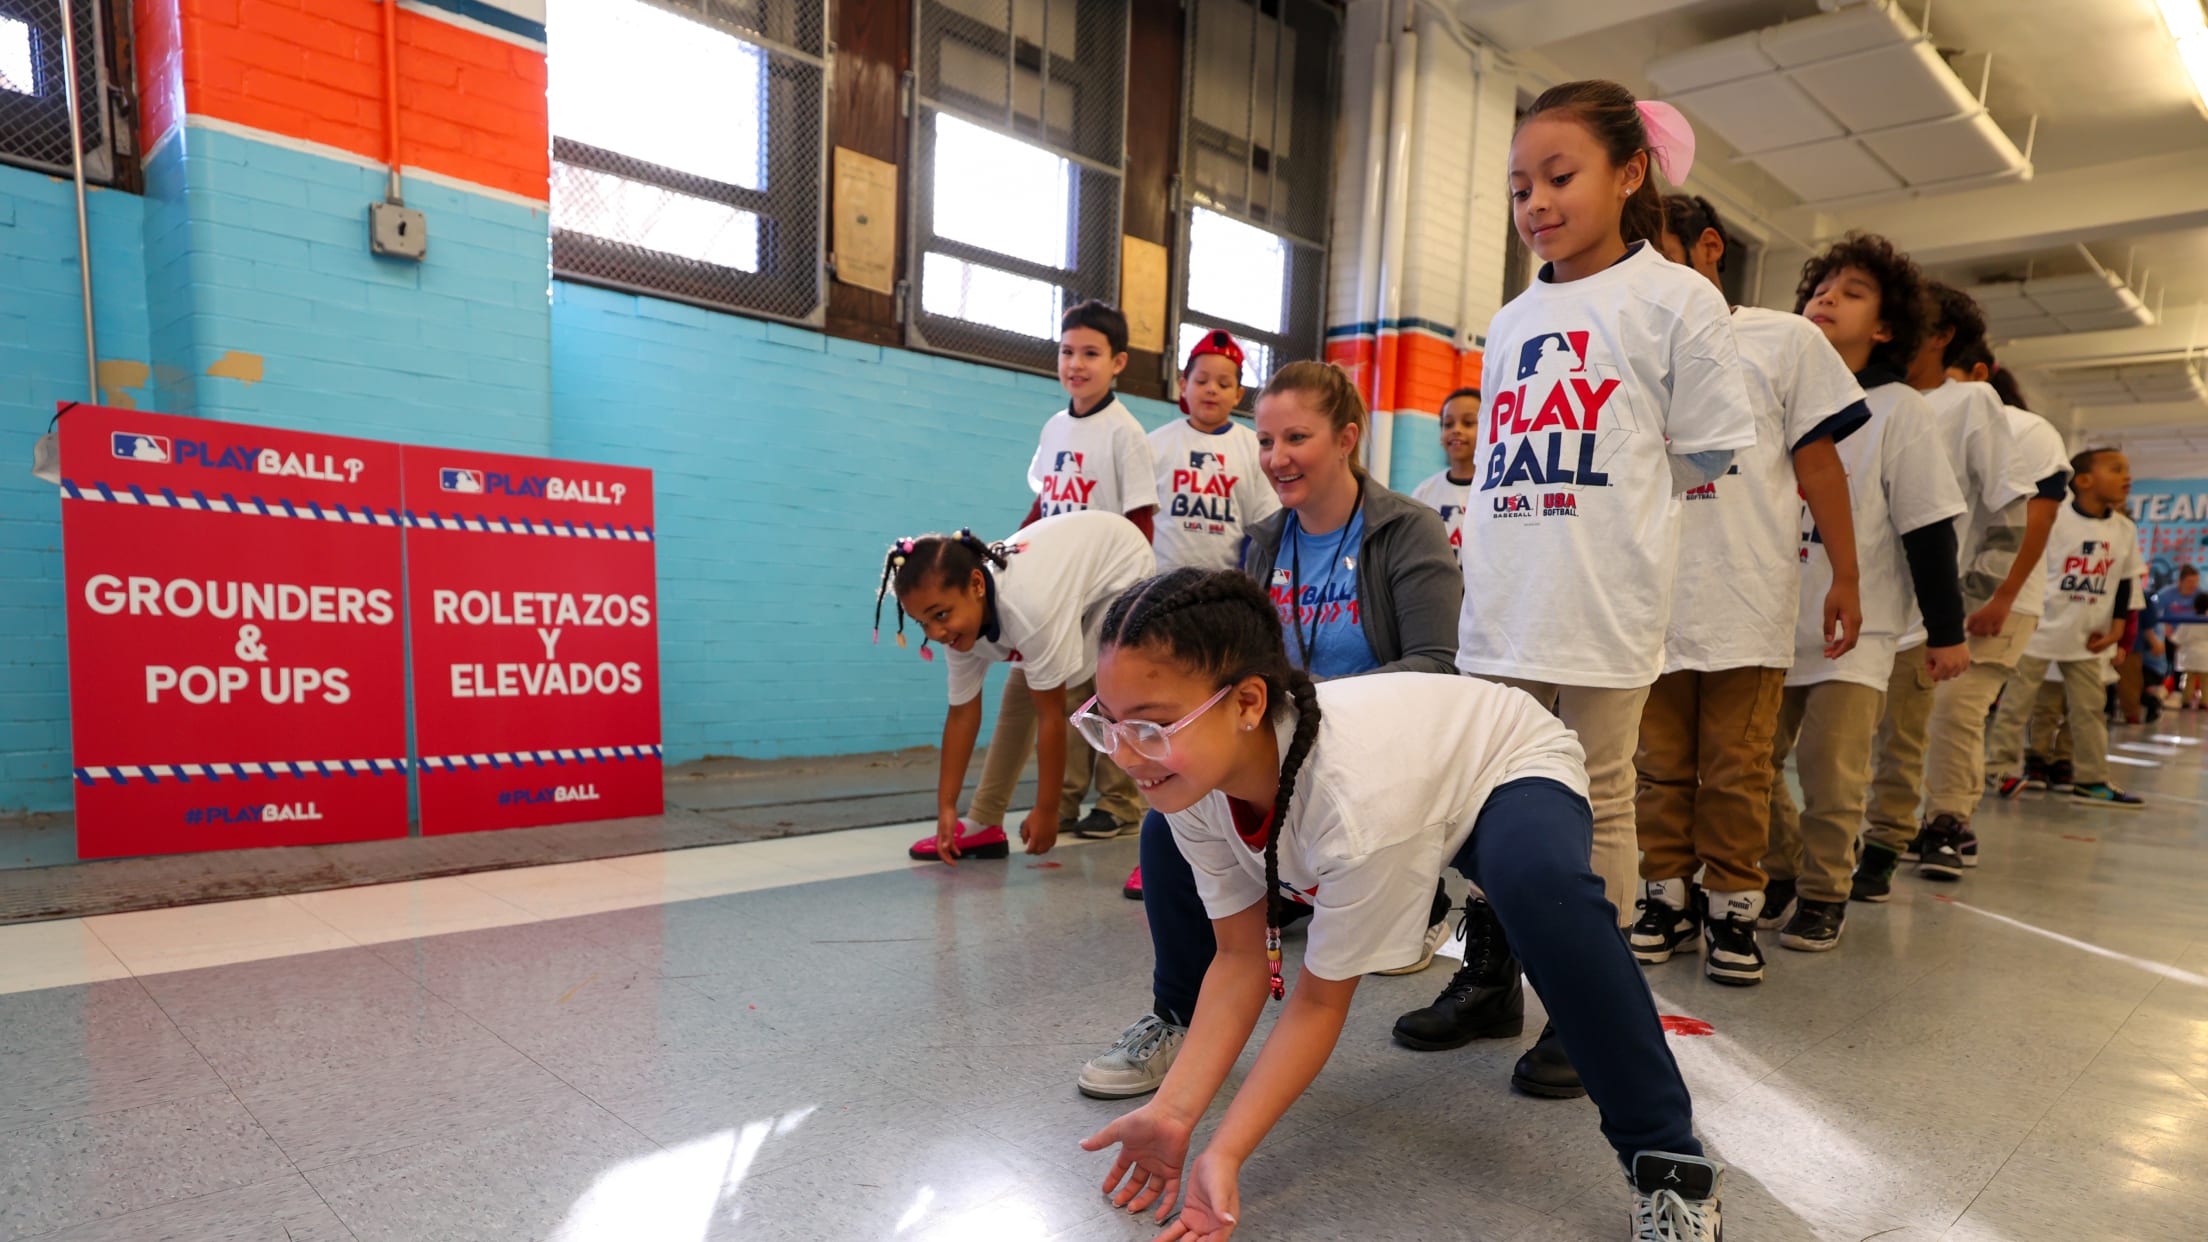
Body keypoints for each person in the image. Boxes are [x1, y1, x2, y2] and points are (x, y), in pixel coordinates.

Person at [1075, 568, 1722, 1242]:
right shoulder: (1195, 776)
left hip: (1501, 757)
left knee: (1542, 891)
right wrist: (1177, 1114)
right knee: (1160, 830)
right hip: (1404, 784)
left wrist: (1229, 1150)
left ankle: (1668, 1162)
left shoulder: (1354, 807)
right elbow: (1240, 960)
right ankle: (1170, 1022)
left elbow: (1321, 1003)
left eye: (1149, 727)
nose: (1124, 755)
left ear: (1245, 703)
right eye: (1107, 724)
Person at [1426, 80, 1757, 1089]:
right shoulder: (1513, 315)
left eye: (1559, 176)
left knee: (1600, 799)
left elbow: (1707, 455)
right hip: (1505, 598)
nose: (1536, 200)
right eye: (1521, 184)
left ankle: (1585, 1011)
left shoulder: (1679, 300)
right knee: (1485, 801)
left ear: (1628, 173)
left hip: (1606, 597)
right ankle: (1489, 980)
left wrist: (1611, 520)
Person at [1079, 361, 1461, 1101]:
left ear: (1347, 437)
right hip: (1279, 744)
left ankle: (1431, 919)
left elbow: (1435, 665)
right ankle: (1174, 1016)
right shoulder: (1261, 544)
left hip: (1374, 752)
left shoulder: (1407, 531)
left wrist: (1310, 703)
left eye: (1298, 437)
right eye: (1266, 440)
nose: (1277, 457)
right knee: (1171, 814)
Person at [1631, 193, 1866, 987]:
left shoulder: (1782, 339)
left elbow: (1819, 464)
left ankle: (1733, 908)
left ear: (1707, 248)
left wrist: (1847, 575)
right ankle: (1663, 898)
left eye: (1656, 249)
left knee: (1738, 769)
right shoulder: (1631, 341)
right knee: (1656, 766)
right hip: (1649, 600)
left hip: (1745, 597)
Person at [1761, 233, 1967, 953]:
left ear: (1884, 327)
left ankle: (1824, 893)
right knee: (1748, 765)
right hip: (1768, 622)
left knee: (1830, 772)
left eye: (1851, 293)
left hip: (1858, 631)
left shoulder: (1897, 411)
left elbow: (1928, 527)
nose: (1826, 299)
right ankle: (1781, 872)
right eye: (1821, 289)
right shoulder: (1780, 401)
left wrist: (1947, 632)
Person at [917, 302, 1157, 861]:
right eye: (1067, 351)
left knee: (1099, 697)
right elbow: (1043, 505)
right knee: (1027, 694)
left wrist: (1133, 602)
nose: (1076, 363)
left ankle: (1122, 805)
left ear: (1118, 362)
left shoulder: (1125, 433)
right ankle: (996, 816)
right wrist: (1005, 559)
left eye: (1091, 353)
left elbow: (1141, 520)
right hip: (1049, 581)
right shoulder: (1054, 428)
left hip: (1102, 582)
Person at [1857, 337, 2070, 892]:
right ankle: (1900, 826)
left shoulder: (2026, 429)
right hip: (1927, 600)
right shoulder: (1895, 406)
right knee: (1902, 720)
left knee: (1956, 710)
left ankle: (1949, 822)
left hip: (1997, 601)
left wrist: (1992, 597)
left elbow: (2030, 520)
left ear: (1976, 371)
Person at [874, 512, 1156, 862]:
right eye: (923, 623)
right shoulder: (960, 622)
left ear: (977, 585)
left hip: (1121, 563)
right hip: (1067, 575)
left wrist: (1047, 810)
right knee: (1020, 694)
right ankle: (984, 822)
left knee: (1122, 692)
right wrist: (945, 807)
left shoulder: (1029, 610)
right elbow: (962, 716)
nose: (935, 633)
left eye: (940, 615)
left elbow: (1051, 716)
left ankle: (1160, 847)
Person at [1122, 329, 1281, 901]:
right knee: (1158, 740)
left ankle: (1235, 857)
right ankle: (1161, 851)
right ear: (1182, 387)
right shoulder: (1155, 443)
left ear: (1239, 393)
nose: (1212, 389)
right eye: (1202, 379)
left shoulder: (1248, 450)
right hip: (1162, 613)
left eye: (1225, 382)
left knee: (1213, 739)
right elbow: (1139, 523)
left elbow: (1262, 535)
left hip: (1221, 619)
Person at [1985, 449, 2148, 809]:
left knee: (2091, 710)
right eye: (2116, 469)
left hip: (2087, 638)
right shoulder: (2055, 518)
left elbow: (2124, 580)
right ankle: (1999, 768)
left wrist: (2117, 628)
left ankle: (2090, 779)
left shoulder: (2123, 528)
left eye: (2128, 469)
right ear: (2084, 480)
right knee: (2016, 706)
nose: (2127, 476)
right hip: (2038, 632)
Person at [1408, 387, 1481, 563]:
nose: (1456, 430)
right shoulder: (1424, 492)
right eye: (1448, 424)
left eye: (1469, 423)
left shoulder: (1494, 491)